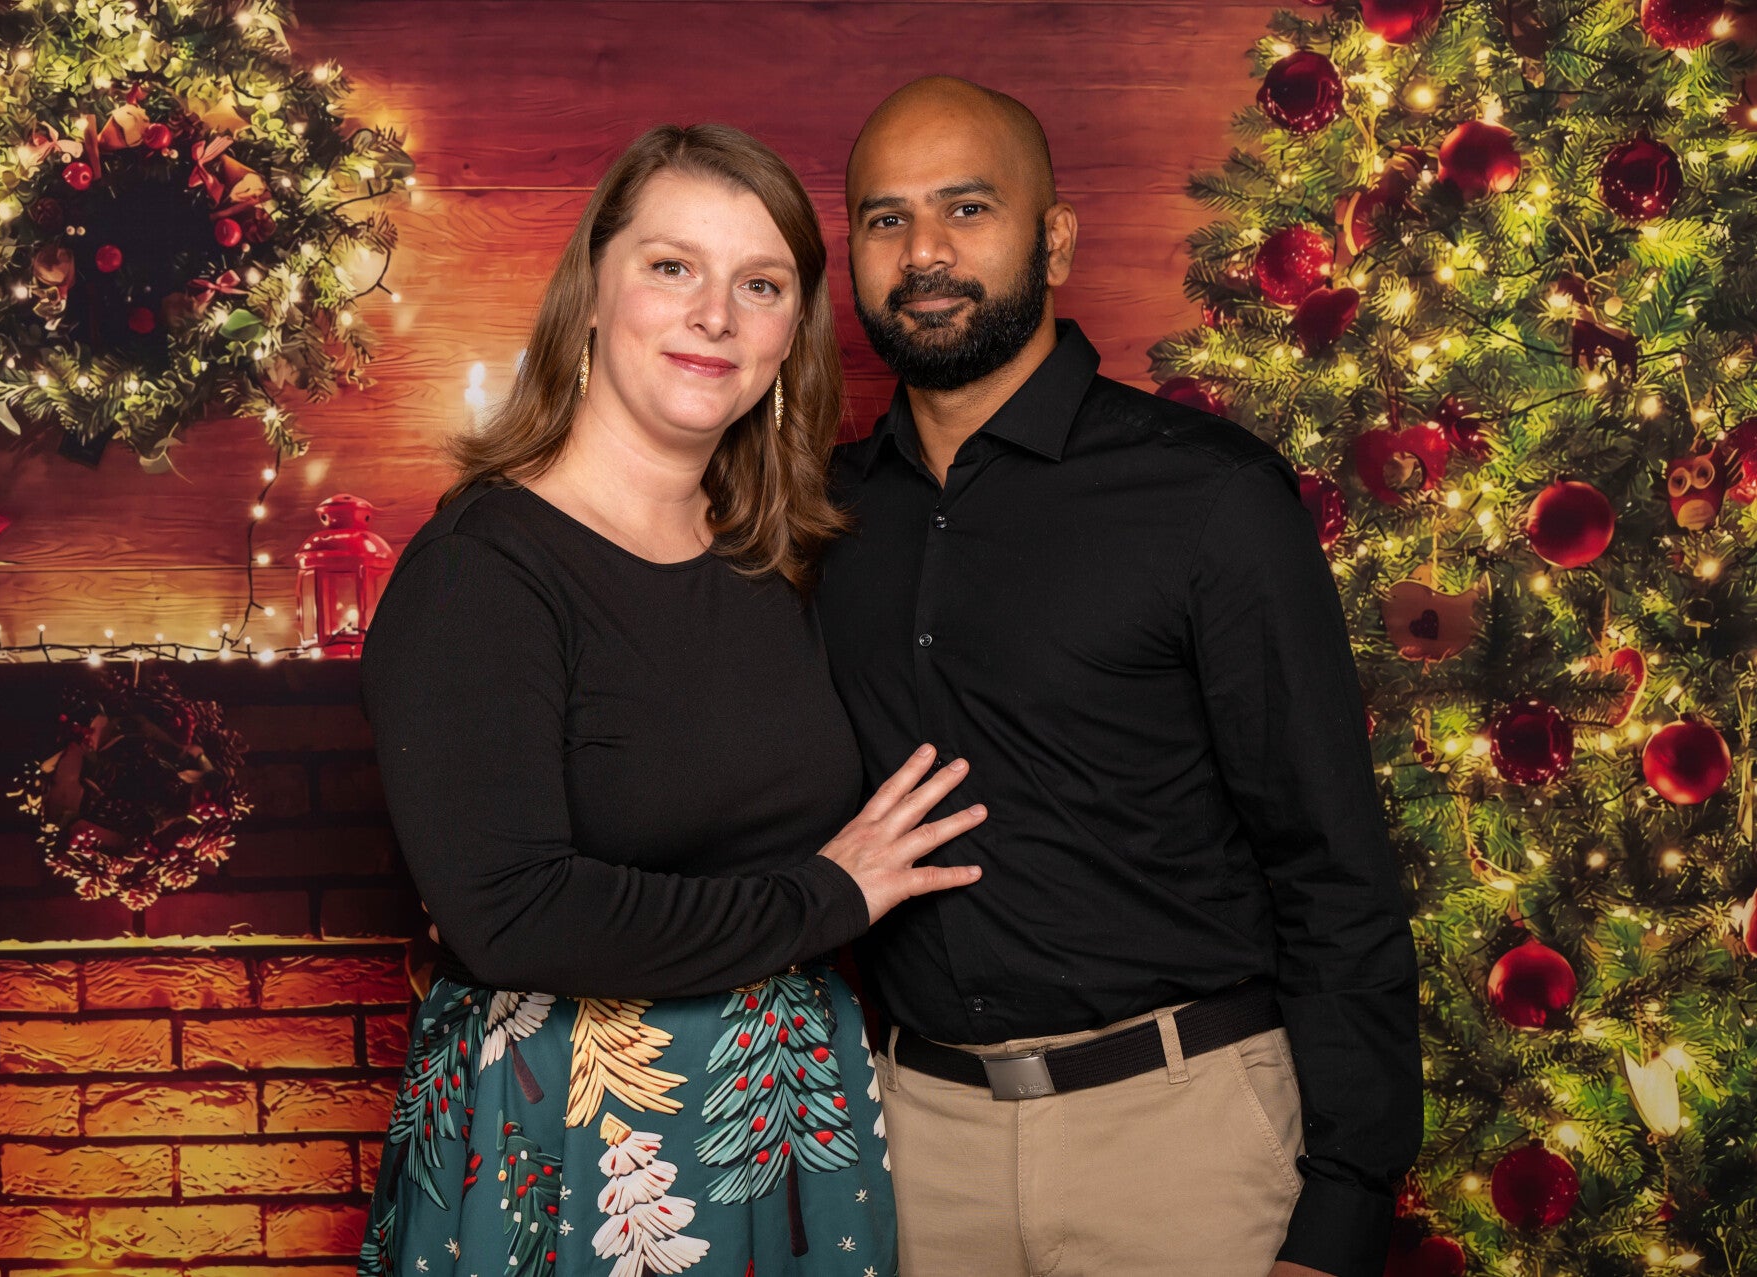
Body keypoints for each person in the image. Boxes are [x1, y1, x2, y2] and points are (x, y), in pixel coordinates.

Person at [815, 77, 1423, 1277]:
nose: (923, 251)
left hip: (1181, 1140)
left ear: (1054, 240)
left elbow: (1329, 860)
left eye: (966, 208)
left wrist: (1343, 1206)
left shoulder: (1206, 496)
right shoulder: (818, 517)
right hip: (919, 1148)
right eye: (886, 218)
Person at [354, 123, 987, 1277]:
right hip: (570, 1142)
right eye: (670, 266)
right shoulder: (481, 568)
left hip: (793, 1125)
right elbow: (510, 912)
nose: (714, 316)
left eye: (760, 285)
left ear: (790, 333)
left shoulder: (777, 558)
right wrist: (824, 896)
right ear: (590, 293)